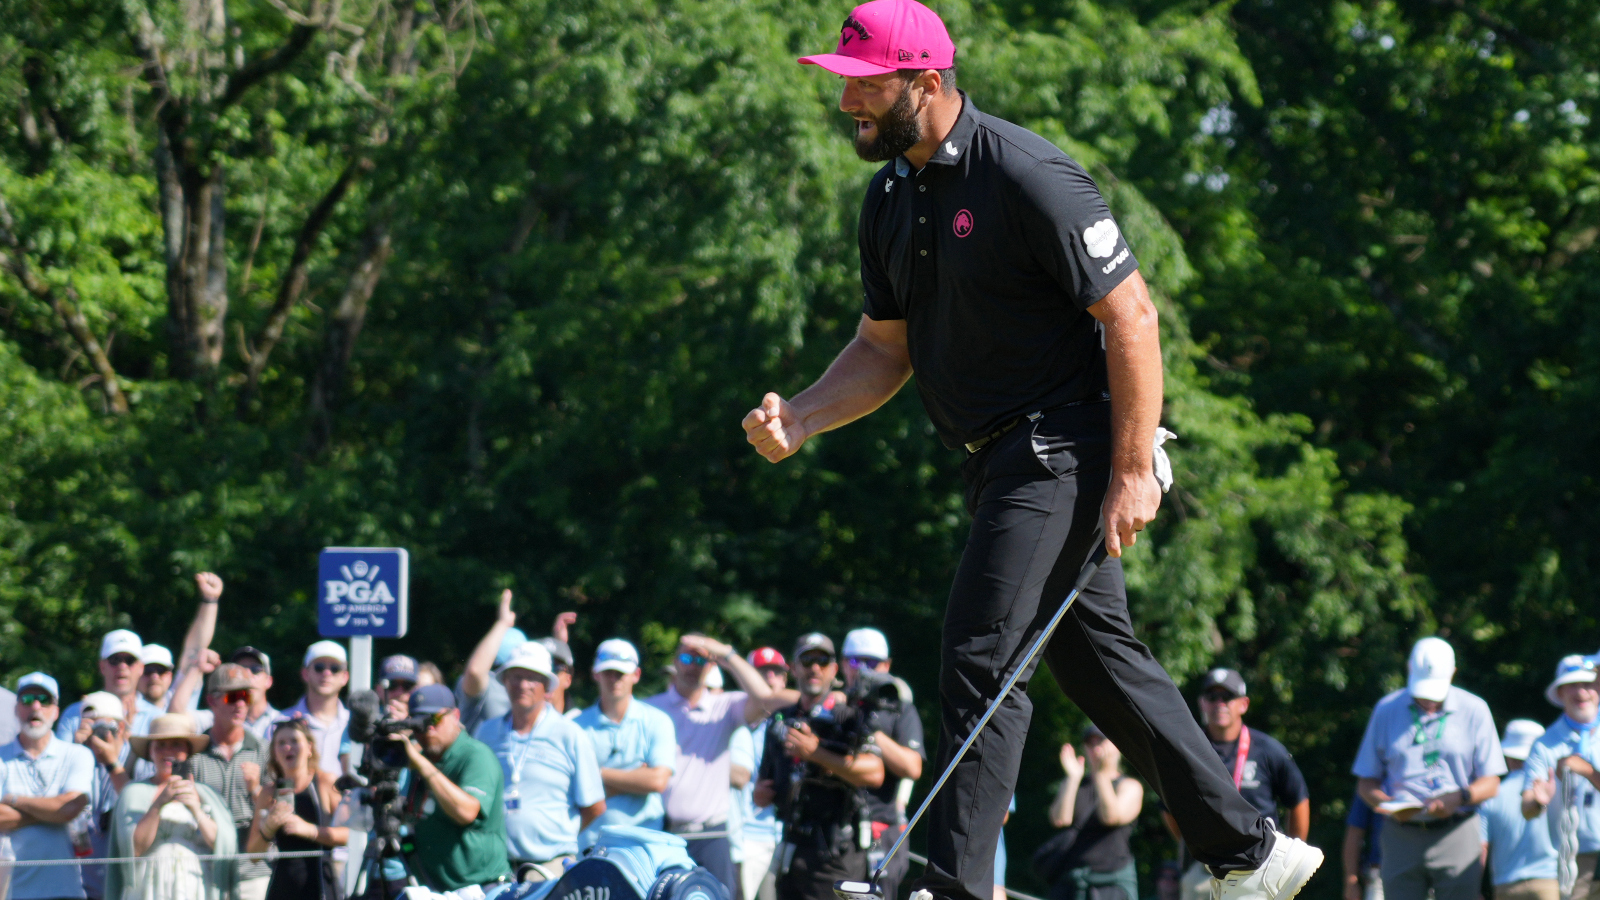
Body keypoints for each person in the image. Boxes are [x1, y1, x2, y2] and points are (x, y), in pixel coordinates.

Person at [746, 4, 1322, 899]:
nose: (847, 100)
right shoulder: (890, 194)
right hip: (993, 463)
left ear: (926, 83)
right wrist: (806, 417)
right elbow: (882, 347)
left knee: (980, 653)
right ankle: (1251, 852)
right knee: (1097, 662)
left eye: (865, 83)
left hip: (1062, 446)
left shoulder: (1025, 172)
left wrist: (1133, 469)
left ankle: (952, 886)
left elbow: (1131, 315)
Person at [1353, 637, 1505, 900]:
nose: (1428, 700)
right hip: (1400, 833)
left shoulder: (1475, 709)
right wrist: (1386, 804)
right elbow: (1366, 783)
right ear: (1409, 669)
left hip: (1457, 830)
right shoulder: (1386, 710)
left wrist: (1460, 797)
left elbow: (1492, 782)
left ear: (1453, 673)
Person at [648, 633, 798, 893]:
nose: (693, 665)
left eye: (701, 660)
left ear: (712, 666)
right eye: (686, 658)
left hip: (712, 837)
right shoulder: (651, 709)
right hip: (665, 835)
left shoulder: (725, 706)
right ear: (675, 662)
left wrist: (726, 653)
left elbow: (768, 699)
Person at [754, 633, 886, 900]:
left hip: (836, 851)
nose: (814, 668)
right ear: (793, 667)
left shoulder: (847, 716)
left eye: (822, 661)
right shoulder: (781, 721)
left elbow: (875, 772)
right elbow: (764, 786)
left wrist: (815, 753)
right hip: (791, 847)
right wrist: (761, 794)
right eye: (807, 660)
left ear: (834, 669)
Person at [1169, 669, 1310, 899]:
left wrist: (1292, 854)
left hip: (1262, 865)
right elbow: (1170, 808)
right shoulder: (1189, 750)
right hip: (1208, 867)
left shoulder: (1268, 750)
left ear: (1243, 704)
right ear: (1202, 703)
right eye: (1212, 698)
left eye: (1227, 697)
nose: (1219, 704)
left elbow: (1298, 800)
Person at [474, 642, 604, 879]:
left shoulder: (570, 734)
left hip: (550, 865)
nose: (523, 685)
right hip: (496, 865)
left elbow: (594, 805)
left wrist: (561, 837)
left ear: (547, 686)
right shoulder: (487, 732)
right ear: (504, 681)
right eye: (515, 677)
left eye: (532, 678)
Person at [394, 684, 512, 890]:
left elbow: (466, 812)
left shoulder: (475, 755)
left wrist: (422, 764)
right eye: (419, 722)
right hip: (435, 889)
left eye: (435, 719)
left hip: (482, 888)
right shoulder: (421, 761)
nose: (428, 728)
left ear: (456, 715)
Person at [107, 713, 237, 900]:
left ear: (188, 751)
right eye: (160, 746)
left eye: (176, 744)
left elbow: (224, 846)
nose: (168, 752)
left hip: (195, 884)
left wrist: (196, 809)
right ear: (150, 752)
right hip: (148, 885)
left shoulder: (207, 795)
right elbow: (133, 849)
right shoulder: (133, 792)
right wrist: (159, 804)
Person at [841, 628, 925, 900]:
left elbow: (913, 767)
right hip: (838, 830)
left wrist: (874, 735)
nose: (864, 670)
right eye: (855, 662)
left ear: (887, 666)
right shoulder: (836, 706)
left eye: (872, 663)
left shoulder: (898, 708)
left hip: (882, 829)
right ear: (842, 664)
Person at [0, 673, 94, 900]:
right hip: (11, 892)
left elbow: (70, 808)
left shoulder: (77, 754)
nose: (35, 706)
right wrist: (55, 810)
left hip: (65, 891)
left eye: (44, 699)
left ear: (56, 711)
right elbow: (64, 809)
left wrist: (13, 800)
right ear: (16, 709)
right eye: (27, 699)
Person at [572, 639, 676, 842]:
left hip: (645, 842)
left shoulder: (658, 721)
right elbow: (572, 787)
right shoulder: (575, 726)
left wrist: (595, 773)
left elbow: (657, 781)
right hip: (589, 843)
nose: (614, 679)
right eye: (608, 672)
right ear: (596, 674)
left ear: (636, 675)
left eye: (620, 673)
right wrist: (635, 778)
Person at [186, 665, 272, 900]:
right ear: (211, 701)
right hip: (204, 868)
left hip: (252, 872)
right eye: (233, 696)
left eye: (246, 696)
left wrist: (256, 791)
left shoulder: (263, 751)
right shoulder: (195, 753)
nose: (241, 704)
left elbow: (276, 813)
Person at [1522, 655, 1600, 899]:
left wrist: (1587, 771)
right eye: (1572, 685)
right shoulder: (1545, 744)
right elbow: (1527, 808)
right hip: (1575, 858)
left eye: (1588, 684)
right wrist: (1538, 800)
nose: (1582, 692)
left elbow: (1586, 771)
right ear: (1560, 692)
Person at [1034, 727, 1143, 900]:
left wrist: (1101, 774)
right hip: (1071, 882)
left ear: (1117, 746)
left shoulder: (1130, 786)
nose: (1096, 748)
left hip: (1110, 884)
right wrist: (1073, 778)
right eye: (1090, 743)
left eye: (1100, 742)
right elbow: (1060, 819)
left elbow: (1111, 817)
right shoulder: (1077, 784)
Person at [247, 718, 348, 900]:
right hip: (283, 886)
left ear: (309, 748)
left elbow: (350, 835)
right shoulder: (269, 792)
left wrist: (310, 830)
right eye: (281, 743)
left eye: (295, 741)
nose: (288, 747)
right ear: (274, 753)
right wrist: (268, 829)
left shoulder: (325, 782)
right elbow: (253, 855)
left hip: (321, 884)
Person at [1481, 720, 1556, 900]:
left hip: (1506, 886)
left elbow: (1482, 847)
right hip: (1550, 883)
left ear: (1508, 754)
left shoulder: (1491, 795)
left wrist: (1476, 889)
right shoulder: (1554, 789)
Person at [742, 647, 790, 900]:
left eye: (776, 672)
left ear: (785, 679)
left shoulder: (795, 725)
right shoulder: (736, 721)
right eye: (762, 672)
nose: (770, 677)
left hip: (783, 835)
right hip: (742, 837)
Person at [74, 691, 131, 900]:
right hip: (84, 888)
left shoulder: (138, 759)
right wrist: (76, 749)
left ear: (121, 728)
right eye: (92, 728)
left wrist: (111, 762)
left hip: (124, 888)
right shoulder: (76, 760)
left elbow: (135, 805)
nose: (97, 736)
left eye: (104, 728)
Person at [284, 640, 351, 777]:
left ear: (345, 677)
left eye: (335, 668)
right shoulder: (281, 722)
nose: (326, 673)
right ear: (305, 673)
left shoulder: (356, 724)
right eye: (319, 667)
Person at [228, 647, 280, 740]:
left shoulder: (283, 721)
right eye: (240, 670)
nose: (247, 675)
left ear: (268, 680)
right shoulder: (220, 722)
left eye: (255, 669)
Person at [1341, 792, 1384, 900]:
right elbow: (1354, 833)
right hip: (1379, 875)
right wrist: (1351, 880)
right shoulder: (1373, 780)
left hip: (1423, 872)